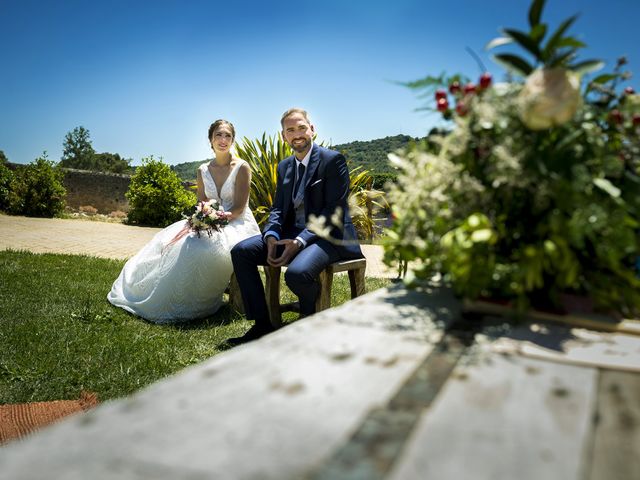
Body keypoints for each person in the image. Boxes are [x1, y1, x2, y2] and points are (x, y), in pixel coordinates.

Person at [228, 108, 363, 345]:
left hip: (329, 237)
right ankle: (262, 325)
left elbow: (333, 212)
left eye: (302, 127)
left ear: (312, 129)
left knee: (298, 275)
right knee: (241, 252)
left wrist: (299, 241)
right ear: (284, 136)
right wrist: (270, 235)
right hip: (290, 233)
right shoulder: (284, 166)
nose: (297, 134)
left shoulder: (333, 161)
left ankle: (308, 317)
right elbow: (279, 208)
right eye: (290, 130)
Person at [108, 119, 260, 323]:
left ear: (233, 140)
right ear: (210, 140)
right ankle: (161, 295)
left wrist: (218, 218)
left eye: (227, 136)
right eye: (218, 135)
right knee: (171, 242)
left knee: (198, 247)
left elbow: (239, 207)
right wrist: (204, 216)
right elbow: (202, 202)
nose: (223, 140)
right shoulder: (202, 170)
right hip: (210, 221)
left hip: (237, 223)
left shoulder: (242, 167)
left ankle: (196, 303)